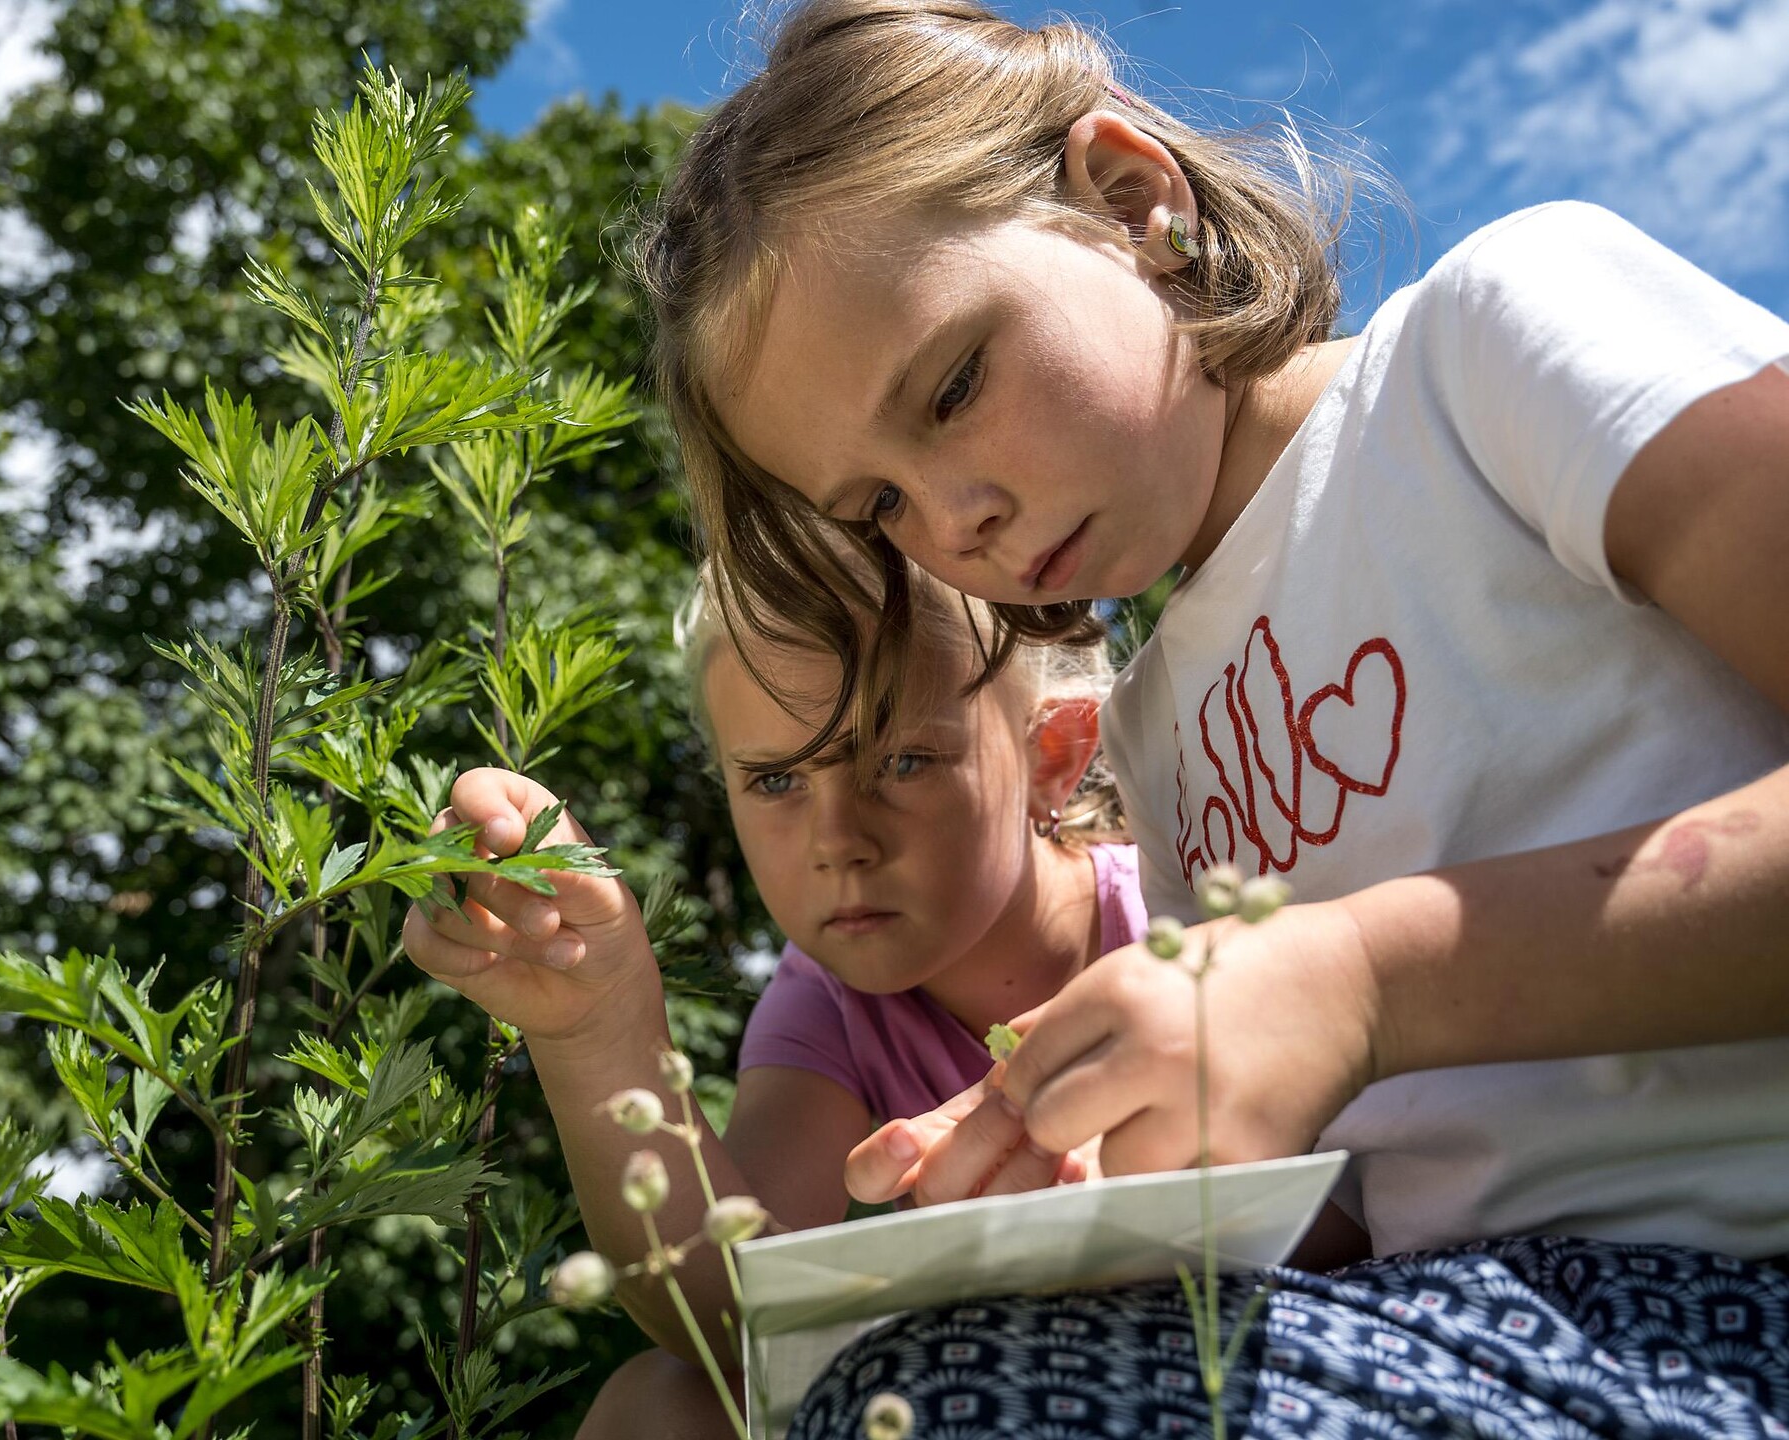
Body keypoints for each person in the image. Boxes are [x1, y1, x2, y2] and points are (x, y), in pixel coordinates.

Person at [634, 0, 1789, 1432]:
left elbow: (1360, 1008)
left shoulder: (1491, 346)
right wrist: (1070, 1174)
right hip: (1460, 1321)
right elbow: (1369, 1198)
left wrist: (1362, 985)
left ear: (1132, 204)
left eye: (952, 386)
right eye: (876, 506)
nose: (954, 519)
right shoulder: (1166, 726)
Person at [401, 561, 1149, 1439]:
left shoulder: (1169, 914)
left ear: (1051, 756)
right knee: (660, 1409)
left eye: (902, 760)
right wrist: (598, 1030)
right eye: (778, 781)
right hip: (991, 1389)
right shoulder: (825, 1001)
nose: (838, 841)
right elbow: (731, 1317)